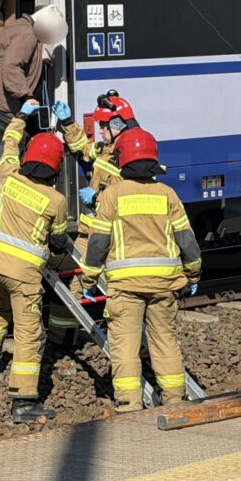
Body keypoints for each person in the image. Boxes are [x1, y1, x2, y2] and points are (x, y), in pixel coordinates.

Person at [80, 129, 202, 413]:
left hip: (126, 288)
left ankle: (129, 405)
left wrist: (88, 279)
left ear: (123, 159)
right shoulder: (167, 194)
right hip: (165, 286)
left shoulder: (111, 195)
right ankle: (174, 400)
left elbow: (98, 244)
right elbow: (188, 242)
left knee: (125, 346)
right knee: (165, 341)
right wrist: (193, 274)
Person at [0, 99, 69, 424]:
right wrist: (54, 263)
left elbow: (9, 142)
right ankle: (24, 401)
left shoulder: (9, 176)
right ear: (55, 168)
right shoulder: (56, 201)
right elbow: (57, 242)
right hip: (24, 276)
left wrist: (21, 116)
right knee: (29, 333)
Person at [47, 92, 141, 347]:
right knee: (71, 284)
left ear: (118, 125)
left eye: (103, 126)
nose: (99, 130)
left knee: (118, 293)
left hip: (115, 238)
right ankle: (61, 342)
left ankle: (124, 343)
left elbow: (127, 202)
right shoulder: (106, 149)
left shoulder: (132, 156)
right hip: (92, 232)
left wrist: (97, 199)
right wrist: (67, 123)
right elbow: (84, 149)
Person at [0, 6, 68, 162]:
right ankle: (10, 181)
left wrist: (39, 58)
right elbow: (12, 66)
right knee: (15, 144)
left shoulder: (21, 27)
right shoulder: (28, 34)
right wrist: (27, 96)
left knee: (5, 140)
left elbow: (14, 56)